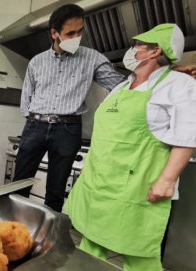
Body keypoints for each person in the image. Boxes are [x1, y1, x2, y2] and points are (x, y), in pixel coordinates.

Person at [12, 4, 196, 212]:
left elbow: (124, 84)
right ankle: (8, 229)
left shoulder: (92, 58)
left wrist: (168, 71)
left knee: (56, 190)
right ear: (54, 33)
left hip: (67, 130)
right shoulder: (36, 62)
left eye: (80, 31)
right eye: (70, 33)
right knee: (18, 184)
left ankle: (48, 238)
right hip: (35, 126)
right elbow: (26, 98)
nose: (77, 37)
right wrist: (34, 121)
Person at [65, 23, 196, 271]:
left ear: (154, 51)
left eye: (137, 45)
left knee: (139, 255)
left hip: (136, 187)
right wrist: (90, 166)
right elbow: (105, 132)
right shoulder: (122, 86)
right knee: (90, 245)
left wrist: (167, 180)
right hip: (99, 181)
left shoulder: (180, 85)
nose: (131, 50)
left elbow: (187, 136)